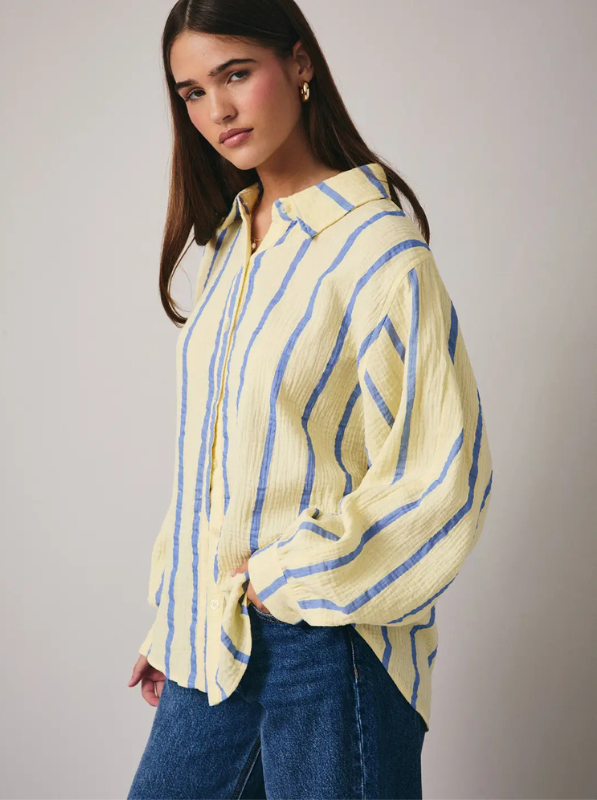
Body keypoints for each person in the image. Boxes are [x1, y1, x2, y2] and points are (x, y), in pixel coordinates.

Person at [126, 0, 494, 798]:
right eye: (190, 91)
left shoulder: (379, 250)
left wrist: (287, 574)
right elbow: (217, 456)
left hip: (328, 652)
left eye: (234, 74)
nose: (215, 110)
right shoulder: (233, 242)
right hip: (211, 645)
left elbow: (445, 474)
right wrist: (178, 613)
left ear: (299, 64)